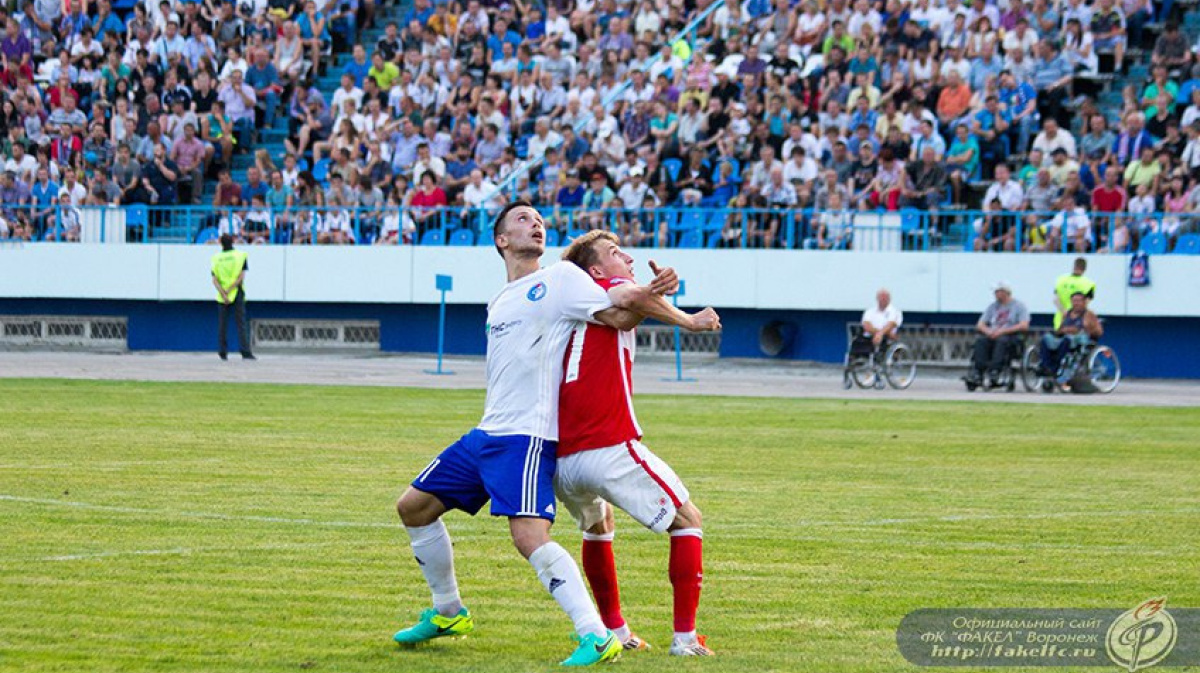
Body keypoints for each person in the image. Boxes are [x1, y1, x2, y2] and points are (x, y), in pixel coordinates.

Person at [391, 202, 681, 666]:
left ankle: (596, 633)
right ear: (502, 241)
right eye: (523, 219)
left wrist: (656, 294)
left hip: (526, 438)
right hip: (486, 433)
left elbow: (620, 311)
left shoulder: (563, 280)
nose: (537, 223)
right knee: (413, 507)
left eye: (539, 219)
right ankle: (449, 611)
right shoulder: (500, 299)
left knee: (528, 537)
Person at [552, 231, 721, 656]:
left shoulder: (581, 307)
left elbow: (635, 304)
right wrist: (689, 320)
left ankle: (615, 631)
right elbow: (631, 297)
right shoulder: (604, 289)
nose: (627, 256)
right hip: (604, 445)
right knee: (688, 518)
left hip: (563, 459)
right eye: (614, 253)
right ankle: (684, 639)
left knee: (598, 527)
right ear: (594, 271)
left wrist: (652, 292)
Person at [966, 281, 1030, 387]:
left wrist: (1002, 331)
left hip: (1011, 335)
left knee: (1002, 341)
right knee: (981, 341)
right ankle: (978, 372)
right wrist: (988, 331)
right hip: (993, 334)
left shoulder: (1019, 306)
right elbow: (980, 324)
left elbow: (1024, 325)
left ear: (1005, 292)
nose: (995, 294)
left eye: (997, 292)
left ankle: (995, 371)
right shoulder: (992, 306)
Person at [1038, 292, 1103, 379]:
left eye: (1078, 301)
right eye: (1074, 301)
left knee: (1067, 340)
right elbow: (1060, 330)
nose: (1076, 303)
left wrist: (1084, 329)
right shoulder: (1066, 314)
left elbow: (1098, 331)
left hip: (1080, 339)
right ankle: (1046, 365)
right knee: (1046, 339)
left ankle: (1055, 367)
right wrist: (1063, 330)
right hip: (1065, 337)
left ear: (1084, 302)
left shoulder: (1089, 314)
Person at [210, 234, 255, 361]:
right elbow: (241, 276)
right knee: (241, 323)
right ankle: (245, 351)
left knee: (222, 324)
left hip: (221, 294)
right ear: (233, 241)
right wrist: (231, 289)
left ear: (221, 243)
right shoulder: (240, 256)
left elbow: (214, 279)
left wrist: (224, 293)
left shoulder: (216, 258)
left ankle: (222, 351)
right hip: (237, 292)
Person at [1053, 257, 1096, 330]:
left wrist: (1064, 312)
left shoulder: (1061, 279)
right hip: (1077, 322)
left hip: (1060, 320)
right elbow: (1085, 304)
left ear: (1074, 266)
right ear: (1085, 269)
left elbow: (1055, 300)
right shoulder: (1089, 284)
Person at [856, 288, 903, 355]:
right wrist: (878, 334)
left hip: (887, 338)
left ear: (889, 299)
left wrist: (880, 334)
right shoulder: (870, 311)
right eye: (881, 297)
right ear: (877, 299)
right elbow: (866, 325)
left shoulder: (895, 312)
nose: (883, 299)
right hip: (869, 337)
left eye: (885, 297)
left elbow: (891, 324)